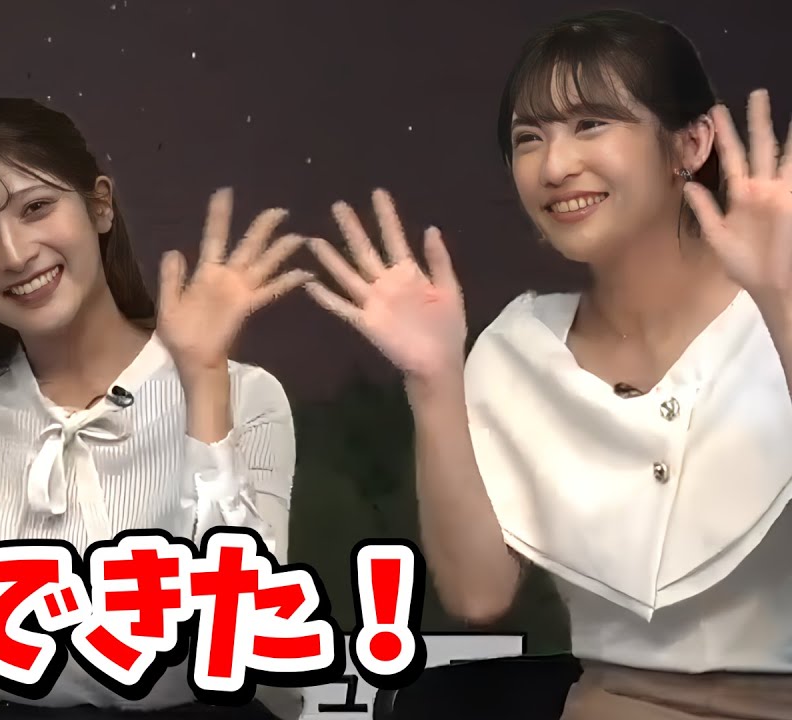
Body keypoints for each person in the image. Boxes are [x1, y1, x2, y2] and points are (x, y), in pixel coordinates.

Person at [302, 10, 792, 720]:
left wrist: (783, 303)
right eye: (528, 138)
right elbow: (478, 595)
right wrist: (435, 380)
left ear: (690, 143)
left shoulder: (773, 307)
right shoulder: (520, 349)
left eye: (591, 124)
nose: (555, 167)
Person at [0, 98, 312, 719]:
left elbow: (249, 634)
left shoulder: (244, 394)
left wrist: (202, 381)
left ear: (100, 205)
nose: (15, 254)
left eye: (36, 207)